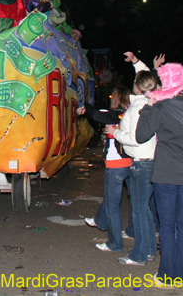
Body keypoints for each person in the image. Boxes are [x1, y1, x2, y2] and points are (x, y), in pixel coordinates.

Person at [136, 62, 183, 288]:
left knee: (167, 225)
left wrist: (147, 108)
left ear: (166, 82)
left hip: (165, 172)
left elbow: (141, 136)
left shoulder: (160, 108)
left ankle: (167, 275)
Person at [110, 54, 159, 266]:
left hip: (142, 161)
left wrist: (116, 132)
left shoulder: (139, 108)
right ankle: (148, 250)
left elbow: (135, 138)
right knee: (144, 209)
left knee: (139, 211)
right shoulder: (148, 103)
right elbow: (146, 78)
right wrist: (137, 61)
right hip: (148, 161)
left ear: (137, 87)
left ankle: (139, 255)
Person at [78, 86, 132, 253]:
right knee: (134, 201)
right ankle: (100, 221)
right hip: (132, 162)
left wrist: (86, 105)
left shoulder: (115, 114)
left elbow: (96, 115)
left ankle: (115, 243)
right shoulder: (131, 114)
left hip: (116, 164)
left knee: (112, 204)